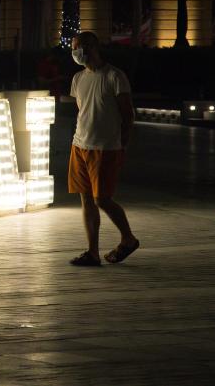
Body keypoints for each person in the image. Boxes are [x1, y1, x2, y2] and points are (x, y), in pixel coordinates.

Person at [67, 31, 140, 266]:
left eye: (78, 47)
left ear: (91, 47)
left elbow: (128, 115)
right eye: (73, 47)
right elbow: (82, 110)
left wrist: (122, 145)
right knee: (86, 199)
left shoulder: (114, 77)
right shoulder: (78, 78)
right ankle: (92, 252)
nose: (75, 52)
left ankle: (128, 238)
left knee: (102, 199)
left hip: (105, 147)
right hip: (80, 145)